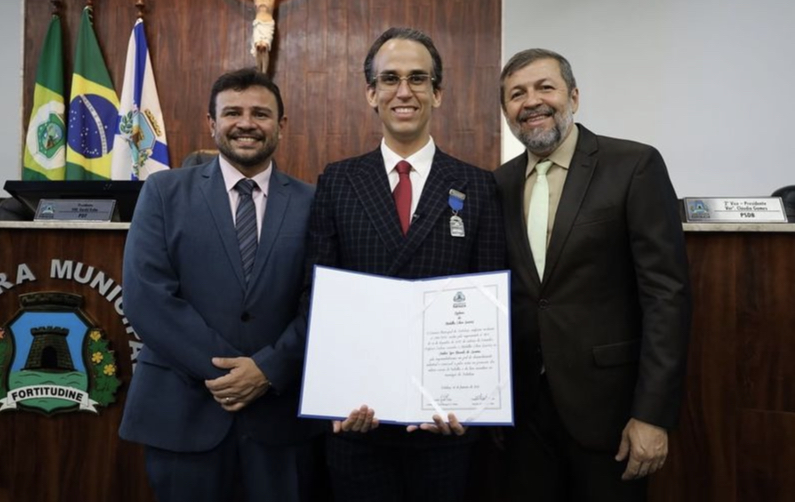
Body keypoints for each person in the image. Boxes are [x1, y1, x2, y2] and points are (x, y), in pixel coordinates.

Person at [302, 27, 505, 502]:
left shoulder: (477, 186)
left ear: (437, 93)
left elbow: (490, 302)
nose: (404, 92)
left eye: (418, 79)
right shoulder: (338, 181)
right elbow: (316, 295)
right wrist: (333, 393)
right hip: (357, 422)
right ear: (371, 93)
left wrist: (470, 403)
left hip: (445, 428)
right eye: (389, 79)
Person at [494, 48, 692, 501]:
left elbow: (667, 297)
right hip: (523, 417)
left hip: (611, 414)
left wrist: (653, 414)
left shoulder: (633, 166)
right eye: (516, 94)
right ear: (506, 110)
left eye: (545, 87)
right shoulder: (498, 184)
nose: (532, 102)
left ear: (574, 97)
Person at [119, 68, 322, 502]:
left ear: (281, 126)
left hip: (279, 419)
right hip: (183, 411)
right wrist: (228, 374)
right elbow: (146, 296)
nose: (246, 123)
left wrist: (268, 370)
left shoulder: (313, 203)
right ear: (211, 123)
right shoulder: (163, 192)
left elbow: (321, 302)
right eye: (232, 112)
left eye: (260, 113)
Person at [213, 0, 315, 74]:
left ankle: (264, 73)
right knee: (258, 47)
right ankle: (258, 71)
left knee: (264, 47)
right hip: (258, 23)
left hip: (268, 24)